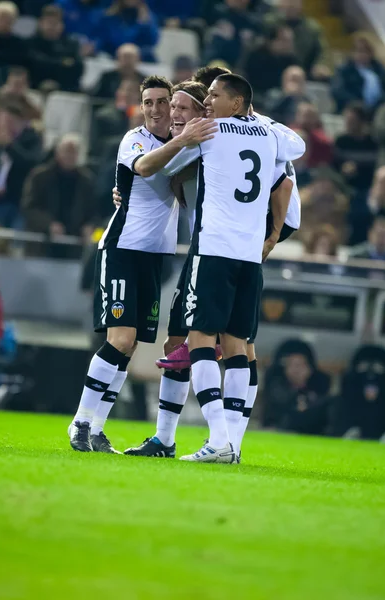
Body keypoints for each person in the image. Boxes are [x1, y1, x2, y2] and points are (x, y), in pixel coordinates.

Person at [123, 66, 302, 461]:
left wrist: (273, 236)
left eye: (205, 99)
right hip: (237, 251)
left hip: (220, 247)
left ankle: (222, 439)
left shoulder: (207, 132)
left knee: (210, 340)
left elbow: (152, 167)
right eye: (178, 106)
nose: (189, 111)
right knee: (207, 341)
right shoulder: (268, 134)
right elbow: (296, 148)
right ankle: (179, 440)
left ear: (234, 102)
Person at [68, 75, 215, 454]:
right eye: (147, 102)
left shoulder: (181, 147)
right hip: (122, 248)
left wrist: (184, 140)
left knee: (131, 346)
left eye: (162, 102)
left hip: (155, 258)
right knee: (119, 339)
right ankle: (80, 422)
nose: (155, 109)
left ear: (173, 106)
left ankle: (97, 429)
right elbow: (146, 168)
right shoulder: (136, 139)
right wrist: (183, 140)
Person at [22, 134, 96, 248]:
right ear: (57, 153)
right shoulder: (39, 177)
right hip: (41, 243)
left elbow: (94, 212)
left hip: (74, 245)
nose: (70, 156)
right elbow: (29, 207)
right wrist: (48, 225)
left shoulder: (87, 181)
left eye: (74, 152)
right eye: (67, 151)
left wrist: (89, 226)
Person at [0, 96, 43, 229]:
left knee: (16, 243)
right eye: (4, 121)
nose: (6, 126)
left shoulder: (31, 138)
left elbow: (30, 162)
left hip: (18, 202)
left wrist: (10, 146)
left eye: (10, 121)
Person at [262, 338, 331, 434]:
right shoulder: (277, 389)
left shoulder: (318, 390)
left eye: (300, 365)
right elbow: (274, 417)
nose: (296, 370)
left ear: (309, 369)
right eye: (292, 365)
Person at [265, 0, 331, 79]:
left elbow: (323, 51)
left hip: (303, 74)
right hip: (271, 73)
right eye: (287, 2)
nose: (290, 5)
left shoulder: (311, 28)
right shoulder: (268, 23)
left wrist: (321, 65)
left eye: (294, 2)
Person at [29, 4, 83, 93]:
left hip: (65, 89)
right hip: (35, 87)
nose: (52, 27)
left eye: (55, 23)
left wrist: (49, 63)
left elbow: (78, 68)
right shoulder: (31, 43)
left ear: (62, 25)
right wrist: (63, 62)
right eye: (49, 23)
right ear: (40, 23)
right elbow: (36, 65)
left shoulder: (71, 44)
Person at [331, 33, 385, 113]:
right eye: (359, 51)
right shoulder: (344, 70)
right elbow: (338, 91)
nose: (362, 55)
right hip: (352, 110)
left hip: (377, 110)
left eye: (366, 51)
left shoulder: (380, 70)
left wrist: (379, 103)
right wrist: (357, 103)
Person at [244, 24, 299, 98]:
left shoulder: (291, 60)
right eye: (284, 40)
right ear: (271, 41)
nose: (289, 44)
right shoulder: (257, 56)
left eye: (290, 41)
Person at [333, 101, 377, 193]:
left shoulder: (373, 142)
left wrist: (359, 169)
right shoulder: (341, 141)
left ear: (362, 122)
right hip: (344, 188)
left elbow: (375, 167)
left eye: (352, 121)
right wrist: (343, 168)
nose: (348, 124)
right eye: (347, 120)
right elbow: (334, 166)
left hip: (369, 188)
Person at [0, 1, 28, 88]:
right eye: (1, 18)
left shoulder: (18, 42)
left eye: (8, 19)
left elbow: (21, 60)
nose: (4, 22)